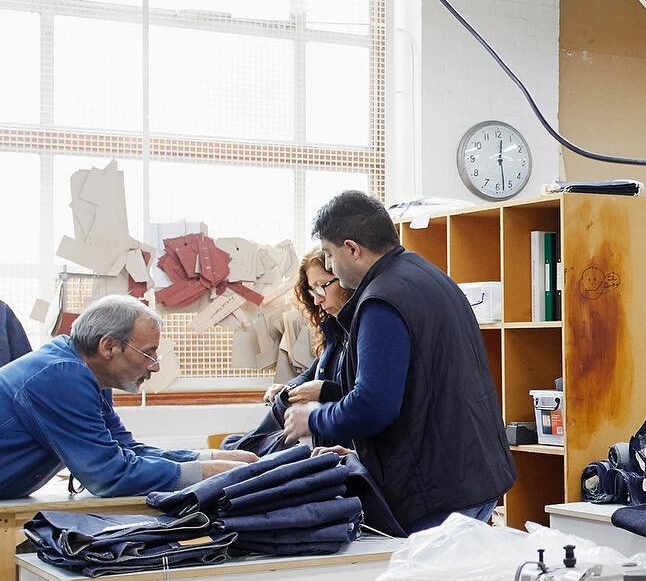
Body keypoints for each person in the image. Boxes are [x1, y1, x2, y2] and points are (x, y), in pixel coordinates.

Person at [282, 191, 515, 532]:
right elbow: (419, 393)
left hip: (439, 493)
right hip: (472, 476)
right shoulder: (429, 276)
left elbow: (374, 405)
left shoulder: (381, 301)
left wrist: (315, 418)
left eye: (330, 256)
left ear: (352, 248)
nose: (330, 266)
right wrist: (362, 458)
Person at [0, 295, 256, 499]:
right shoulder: (61, 375)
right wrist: (205, 472)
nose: (155, 366)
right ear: (109, 346)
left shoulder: (90, 373)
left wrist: (204, 457)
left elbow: (125, 448)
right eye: (148, 353)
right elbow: (108, 475)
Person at [226, 250, 353, 456]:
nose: (317, 300)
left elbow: (370, 400)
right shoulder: (336, 333)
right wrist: (290, 388)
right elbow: (312, 374)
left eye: (322, 286)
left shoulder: (361, 332)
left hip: (351, 450)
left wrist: (324, 391)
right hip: (331, 448)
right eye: (312, 290)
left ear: (346, 279)